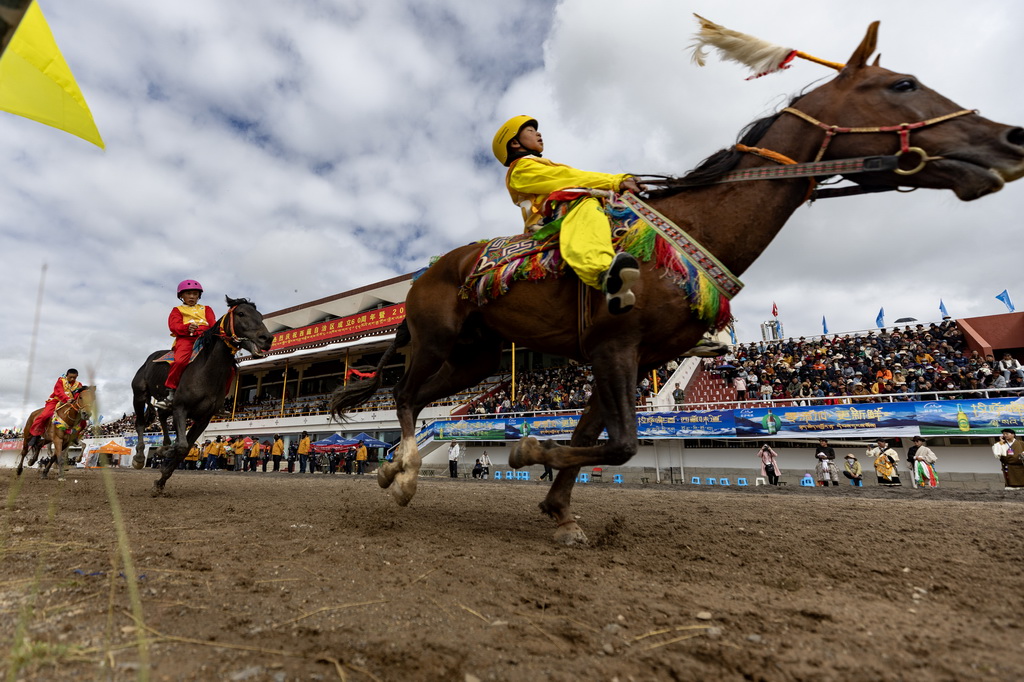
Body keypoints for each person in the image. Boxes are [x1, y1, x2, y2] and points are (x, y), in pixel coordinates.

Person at [493, 115, 642, 315]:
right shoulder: (520, 169)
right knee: (584, 201)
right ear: (514, 143)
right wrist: (616, 182)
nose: (538, 133)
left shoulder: (540, 163)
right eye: (530, 131)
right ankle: (603, 273)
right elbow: (569, 180)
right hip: (548, 223)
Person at [152, 280, 216, 409]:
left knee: (228, 366)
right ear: (181, 296)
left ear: (199, 296)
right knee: (180, 361)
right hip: (186, 339)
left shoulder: (207, 309)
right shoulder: (177, 310)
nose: (192, 297)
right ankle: (170, 394)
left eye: (195, 294)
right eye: (188, 294)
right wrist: (187, 328)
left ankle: (220, 399)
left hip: (206, 338)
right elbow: (173, 326)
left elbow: (213, 324)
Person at [26, 368, 85, 449]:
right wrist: (66, 399)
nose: (72, 379)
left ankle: (75, 436)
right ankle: (35, 435)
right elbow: (59, 392)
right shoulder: (61, 381)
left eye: (74, 378)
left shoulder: (78, 384)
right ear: (67, 375)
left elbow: (79, 395)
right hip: (57, 401)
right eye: (70, 377)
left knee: (83, 420)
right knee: (44, 415)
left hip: (71, 403)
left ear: (77, 376)